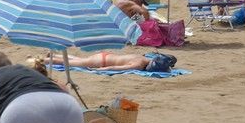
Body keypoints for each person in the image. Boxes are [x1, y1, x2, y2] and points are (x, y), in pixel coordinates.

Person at [47, 49, 176, 72]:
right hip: (102, 62)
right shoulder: (137, 65)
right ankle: (44, 60)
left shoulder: (144, 57)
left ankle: (54, 56)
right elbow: (116, 68)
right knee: (72, 64)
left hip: (106, 56)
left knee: (82, 60)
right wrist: (99, 70)